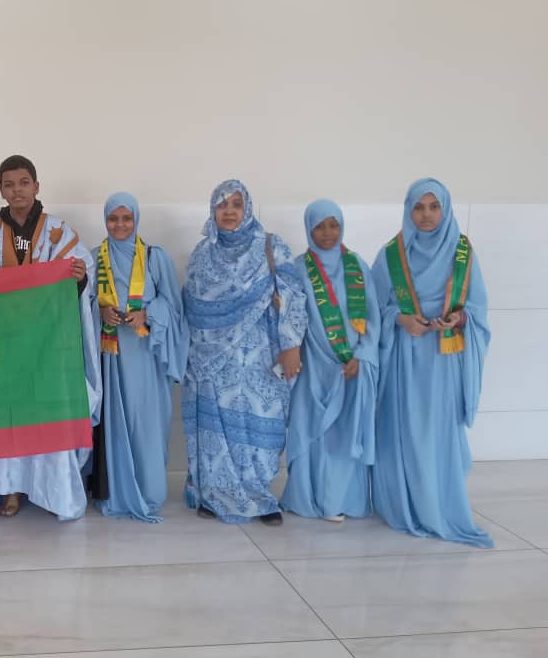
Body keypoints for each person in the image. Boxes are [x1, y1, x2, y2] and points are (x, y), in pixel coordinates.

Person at [371, 178, 493, 548]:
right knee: (406, 429)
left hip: (444, 358)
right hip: (404, 358)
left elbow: (477, 307)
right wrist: (400, 320)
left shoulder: (462, 252)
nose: (426, 215)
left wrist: (460, 317)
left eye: (434, 206)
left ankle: (440, 501)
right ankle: (406, 503)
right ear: (408, 210)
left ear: (446, 209)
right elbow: (373, 310)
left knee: (439, 431)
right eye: (419, 207)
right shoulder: (391, 255)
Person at [0, 154, 101, 520]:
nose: (17, 190)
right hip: (5, 342)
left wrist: (79, 276)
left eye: (23, 183)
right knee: (10, 415)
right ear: (1, 190)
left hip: (49, 342)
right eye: (9, 185)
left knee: (49, 413)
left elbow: (85, 276)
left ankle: (55, 489)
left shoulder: (59, 231)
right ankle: (12, 488)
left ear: (36, 186)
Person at [181, 179, 307, 525]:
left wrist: (291, 344)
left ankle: (259, 495)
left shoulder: (271, 246)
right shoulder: (202, 254)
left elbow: (294, 296)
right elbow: (192, 307)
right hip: (211, 362)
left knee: (259, 431)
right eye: (222, 205)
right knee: (216, 428)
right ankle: (214, 495)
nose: (230, 212)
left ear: (247, 208)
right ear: (212, 210)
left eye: (236, 204)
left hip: (260, 359)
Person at [90, 192, 188, 522]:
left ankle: (148, 490)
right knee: (116, 425)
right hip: (111, 359)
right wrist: (101, 310)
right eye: (113, 218)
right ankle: (118, 492)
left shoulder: (155, 258)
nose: (119, 225)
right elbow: (83, 305)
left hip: (147, 358)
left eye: (126, 218)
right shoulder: (95, 258)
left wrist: (148, 314)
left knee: (147, 424)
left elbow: (173, 307)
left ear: (136, 220)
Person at [281, 200, 380, 522]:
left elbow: (373, 317)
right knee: (311, 431)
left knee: (344, 435)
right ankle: (305, 498)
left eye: (333, 225)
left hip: (351, 368)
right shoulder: (298, 269)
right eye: (319, 227)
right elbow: (290, 318)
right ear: (308, 230)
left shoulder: (358, 266)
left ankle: (342, 499)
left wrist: (362, 355)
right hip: (312, 367)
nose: (327, 233)